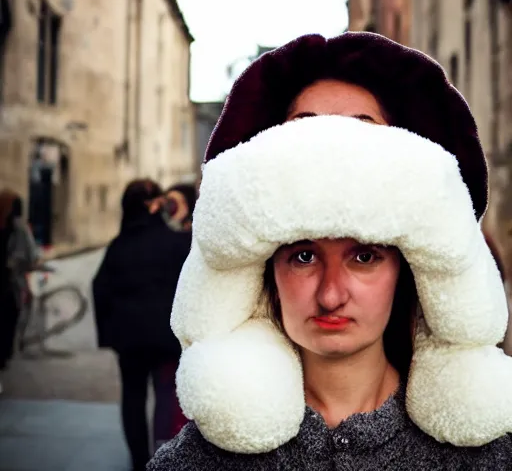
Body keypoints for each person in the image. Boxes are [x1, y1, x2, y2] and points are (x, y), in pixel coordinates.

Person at [148, 32, 512, 470]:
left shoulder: (487, 459)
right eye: (303, 256)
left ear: (406, 267)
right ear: (267, 272)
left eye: (364, 256)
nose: (331, 295)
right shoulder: (196, 461)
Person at [92, 179, 192, 471]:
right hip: (166, 338)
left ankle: (138, 462)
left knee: (132, 398)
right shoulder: (177, 243)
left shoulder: (118, 246)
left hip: (129, 340)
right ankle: (162, 458)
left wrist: (109, 335)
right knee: (165, 395)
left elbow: (100, 288)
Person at [0, 189, 40, 381]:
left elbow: (32, 257)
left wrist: (15, 264)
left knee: (8, 323)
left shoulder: (19, 229)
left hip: (9, 286)